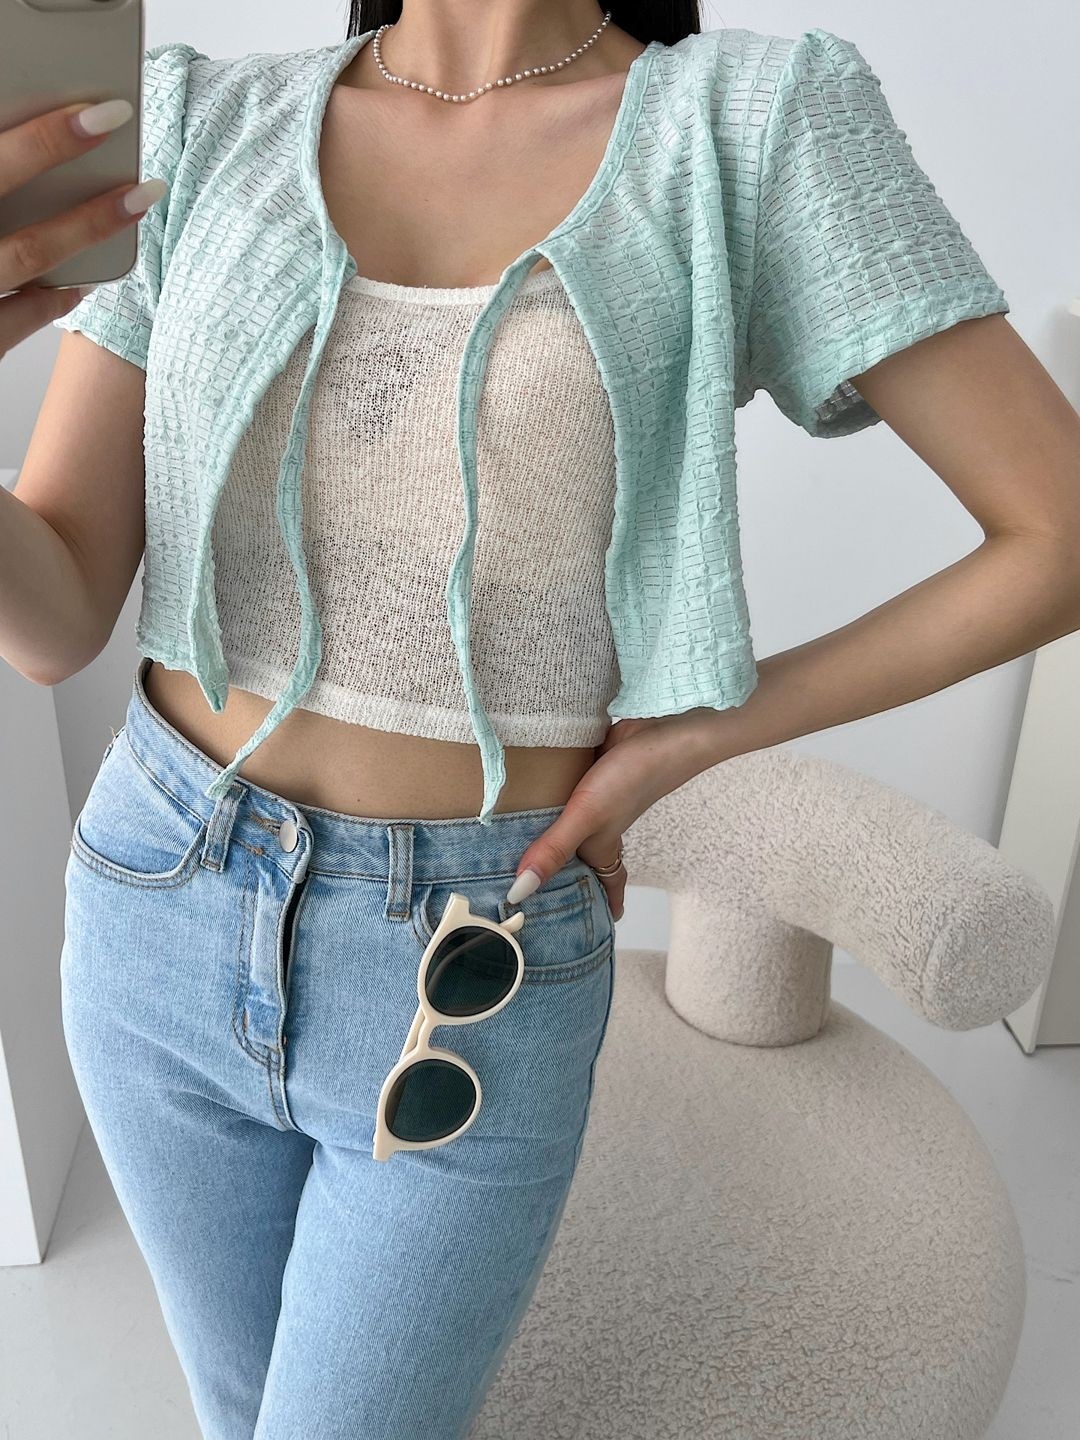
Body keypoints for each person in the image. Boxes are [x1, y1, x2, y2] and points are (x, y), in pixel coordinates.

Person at [3, 2, 1078, 1436]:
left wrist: (702, 732)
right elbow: (57, 616)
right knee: (237, 1409)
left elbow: (1057, 533)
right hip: (157, 890)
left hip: (471, 957)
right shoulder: (196, 123)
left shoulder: (751, 127)